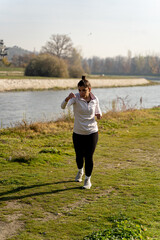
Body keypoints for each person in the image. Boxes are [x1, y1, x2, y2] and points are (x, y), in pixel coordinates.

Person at [61, 76, 102, 189]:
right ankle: (80, 171)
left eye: (84, 90)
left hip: (92, 132)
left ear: (89, 89)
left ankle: (87, 180)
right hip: (78, 132)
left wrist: (99, 115)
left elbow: (98, 110)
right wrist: (67, 98)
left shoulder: (95, 99)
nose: (81, 92)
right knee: (79, 156)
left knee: (89, 156)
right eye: (79, 90)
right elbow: (63, 107)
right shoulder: (75, 98)